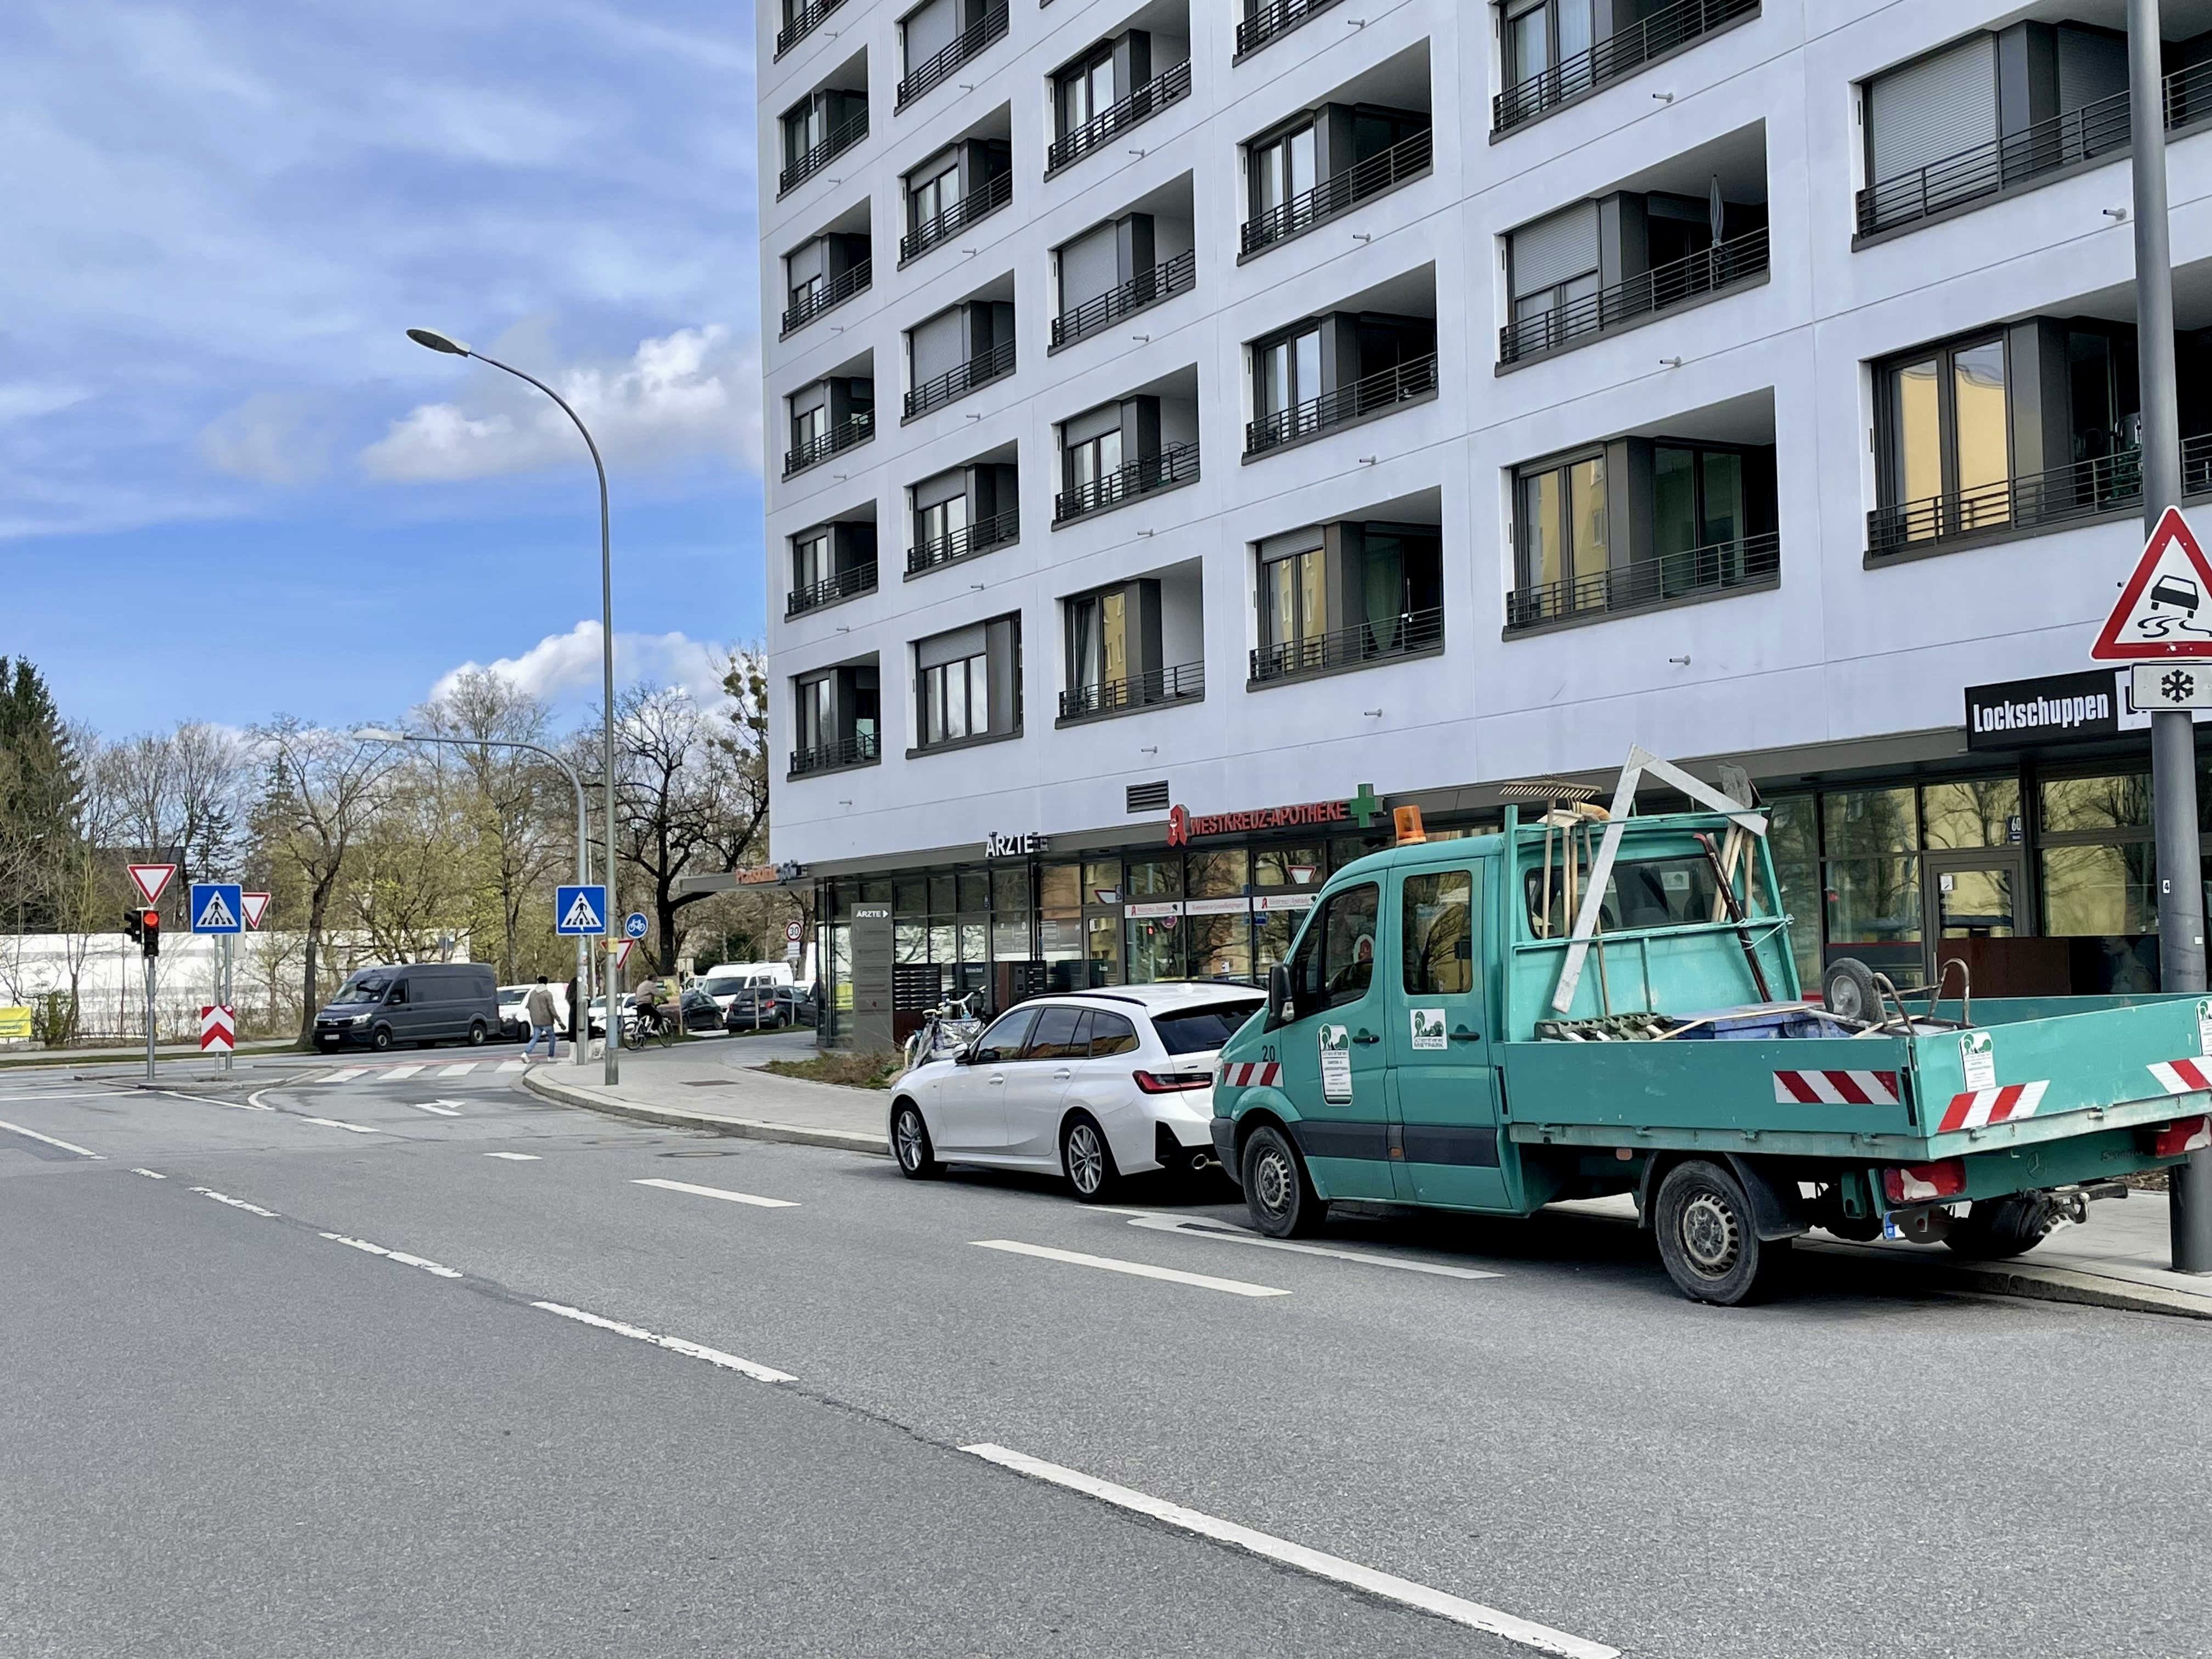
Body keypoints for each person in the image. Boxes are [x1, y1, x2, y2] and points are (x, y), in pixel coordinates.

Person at [522, 976, 560, 1060]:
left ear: (538, 982)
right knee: (552, 1038)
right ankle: (550, 1056)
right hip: (547, 1021)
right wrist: (559, 1020)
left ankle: (526, 1053)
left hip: (536, 1021)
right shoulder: (548, 994)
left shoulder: (532, 994)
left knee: (535, 1038)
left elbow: (528, 1006)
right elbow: (551, 1008)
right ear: (547, 983)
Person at [562, 973, 580, 1053]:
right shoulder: (579, 1002)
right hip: (579, 1024)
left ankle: (573, 1055)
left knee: (573, 1040)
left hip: (573, 1028)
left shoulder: (571, 1001)